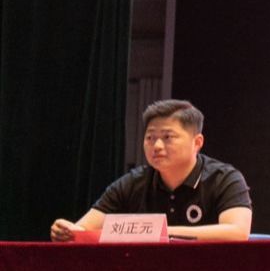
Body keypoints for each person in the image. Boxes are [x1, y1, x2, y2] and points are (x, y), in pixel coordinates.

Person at [50, 99, 252, 241]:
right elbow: (83, 229)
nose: (156, 146)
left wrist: (159, 233)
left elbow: (237, 233)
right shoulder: (132, 183)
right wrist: (67, 231)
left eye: (167, 137)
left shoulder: (224, 179)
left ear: (197, 142)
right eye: (150, 137)